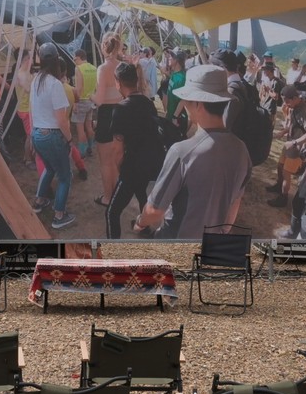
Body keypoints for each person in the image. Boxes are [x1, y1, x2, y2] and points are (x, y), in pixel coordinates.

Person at [135, 63, 251, 240]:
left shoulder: (183, 152)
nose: (185, 105)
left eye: (187, 100)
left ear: (198, 104)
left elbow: (154, 210)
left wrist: (140, 222)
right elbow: (235, 202)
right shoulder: (241, 148)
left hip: (178, 241)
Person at [104, 63, 164, 239]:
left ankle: (110, 254)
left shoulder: (121, 109)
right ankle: (144, 228)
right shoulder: (148, 103)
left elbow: (117, 149)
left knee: (111, 212)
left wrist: (120, 169)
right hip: (150, 163)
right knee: (140, 192)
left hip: (133, 167)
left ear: (118, 82)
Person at [28, 45, 78, 230]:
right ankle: (59, 215)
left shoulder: (36, 80)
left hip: (37, 133)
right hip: (52, 135)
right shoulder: (55, 84)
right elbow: (62, 120)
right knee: (65, 176)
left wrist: (31, 135)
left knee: (49, 169)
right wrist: (70, 139)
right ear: (57, 60)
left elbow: (33, 110)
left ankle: (39, 201)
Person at [268, 82, 306, 209]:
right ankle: (278, 186)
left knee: (286, 173)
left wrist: (294, 142)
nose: (286, 104)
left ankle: (283, 198)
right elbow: (292, 124)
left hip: (297, 148)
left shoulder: (305, 111)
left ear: (295, 98)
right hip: (290, 143)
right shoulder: (294, 107)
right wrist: (281, 133)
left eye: (287, 101)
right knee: (280, 166)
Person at [93, 35, 129, 205]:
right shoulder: (123, 66)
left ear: (103, 47)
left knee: (106, 162)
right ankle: (115, 195)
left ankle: (108, 197)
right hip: (122, 113)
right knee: (116, 159)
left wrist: (90, 96)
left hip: (107, 115)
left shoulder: (103, 68)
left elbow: (99, 100)